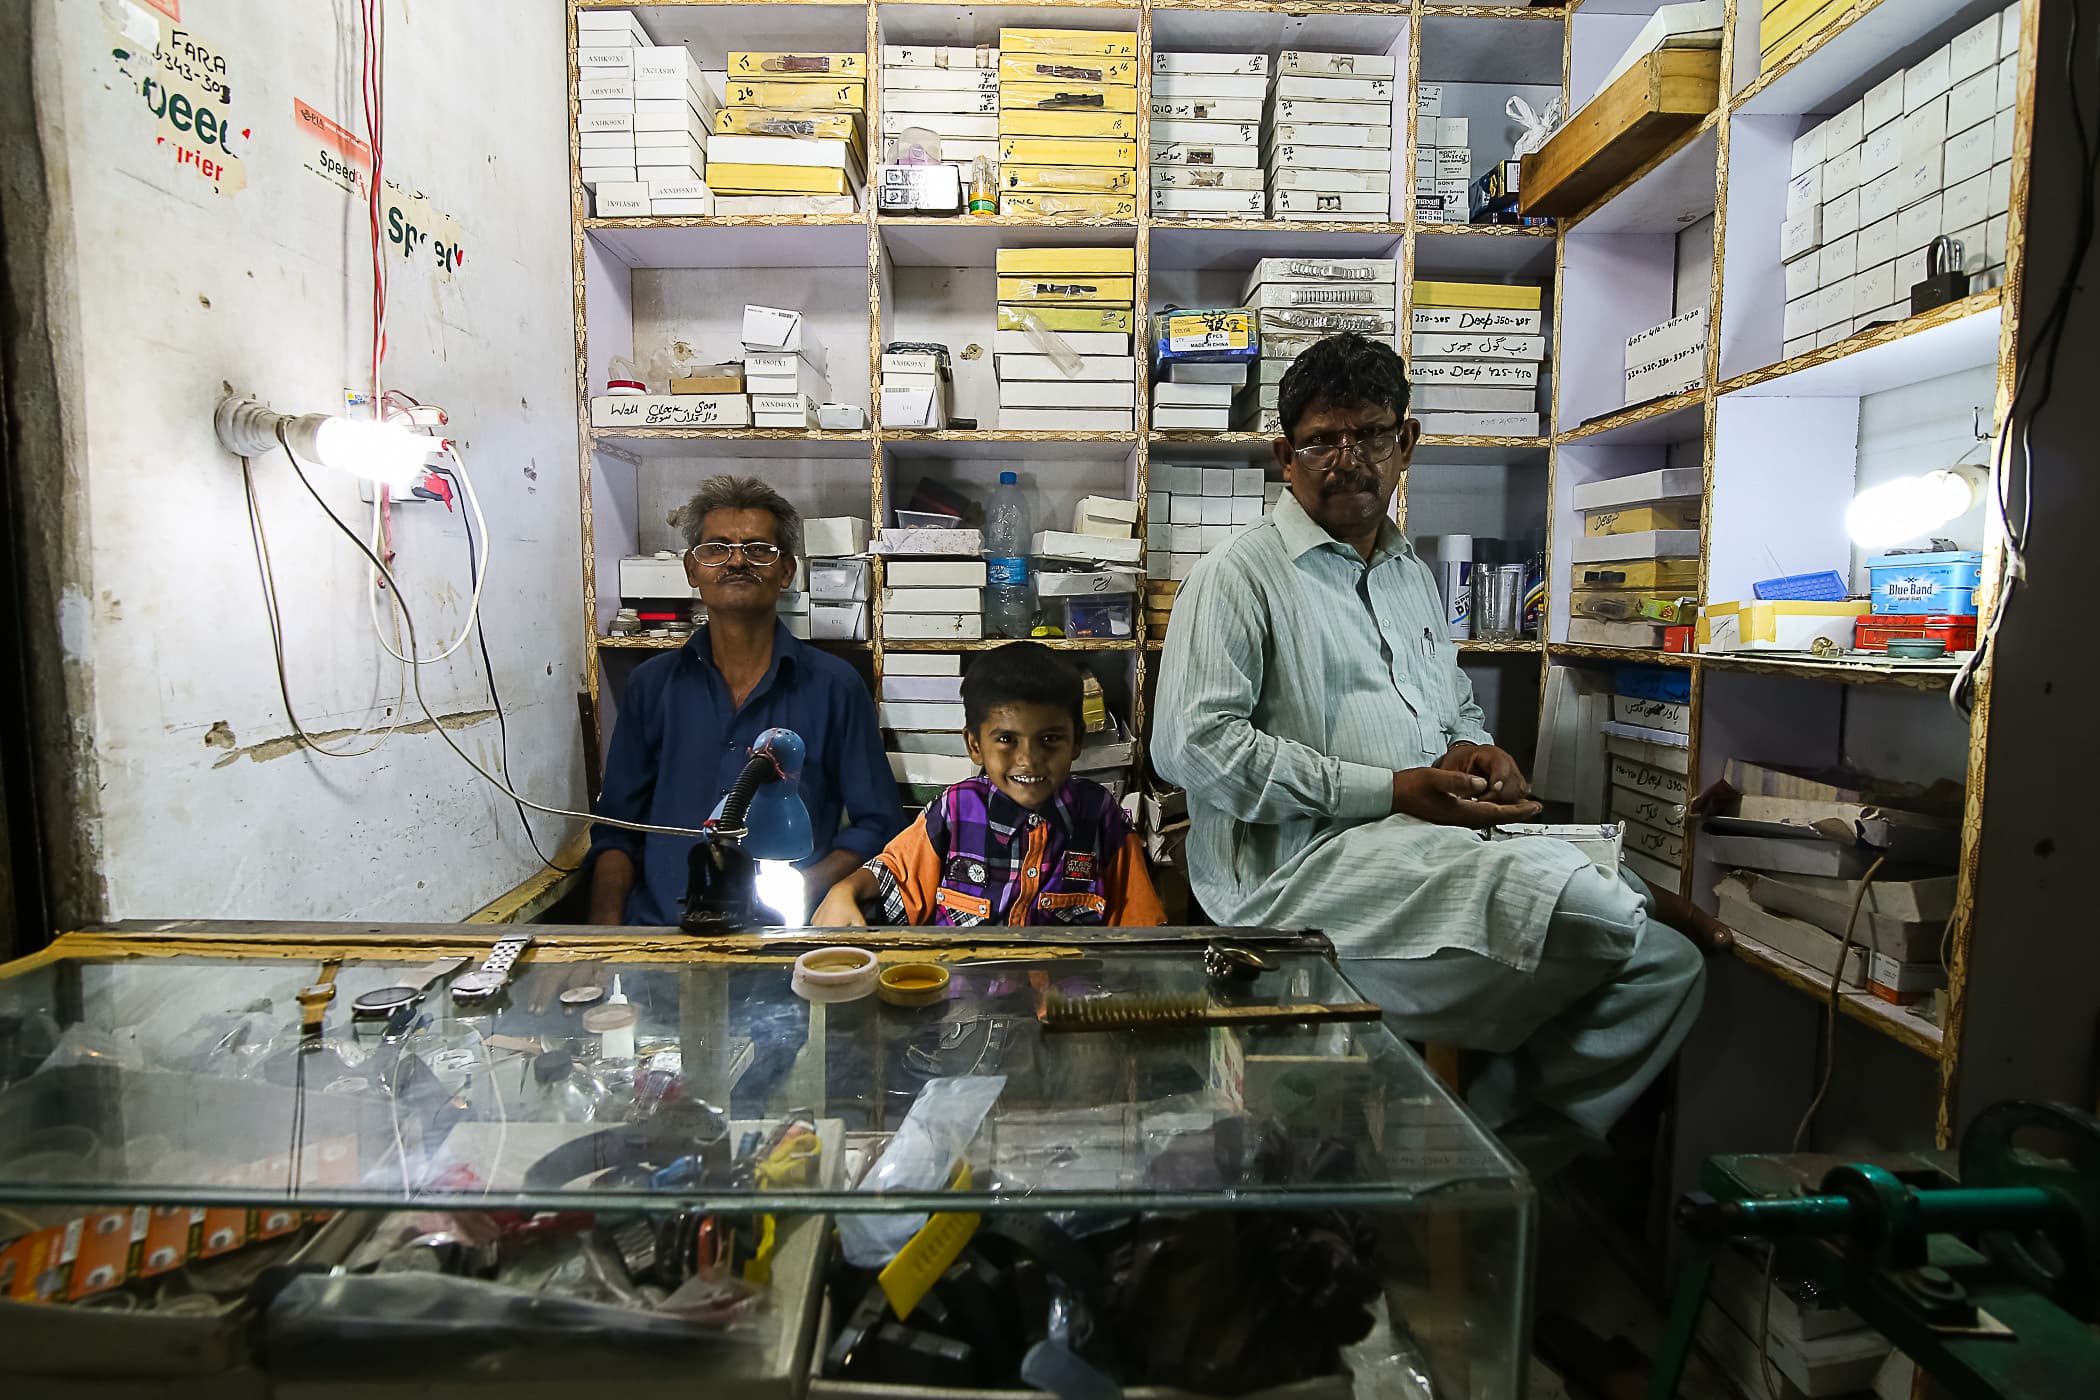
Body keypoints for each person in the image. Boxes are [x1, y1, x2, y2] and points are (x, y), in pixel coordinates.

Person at [1153, 332, 1725, 1176]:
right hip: (1292, 880)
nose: (1348, 460)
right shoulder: (1238, 577)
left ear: (1406, 443)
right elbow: (1196, 751)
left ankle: (1476, 1162)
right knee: (1607, 917)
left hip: (1426, 849)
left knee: (1666, 973)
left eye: (1372, 436)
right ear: (1285, 456)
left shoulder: (1410, 574)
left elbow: (1450, 704)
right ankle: (1620, 897)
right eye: (1321, 441)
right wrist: (1389, 790)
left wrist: (1476, 748)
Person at [587, 475, 901, 926]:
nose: (736, 561)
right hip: (661, 936)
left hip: (781, 941)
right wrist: (603, 950)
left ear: (787, 570)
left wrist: (805, 888)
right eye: (715, 549)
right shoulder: (651, 686)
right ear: (692, 571)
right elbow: (617, 830)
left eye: (758, 550)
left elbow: (878, 825)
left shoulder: (835, 686)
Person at [814, 641, 1164, 927]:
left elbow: (1140, 926)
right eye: (1007, 740)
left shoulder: (1100, 816)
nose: (1028, 759)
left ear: (1076, 742)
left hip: (1065, 1008)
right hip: (963, 1007)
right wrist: (843, 890)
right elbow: (893, 874)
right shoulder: (954, 811)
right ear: (975, 746)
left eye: (1050, 739)